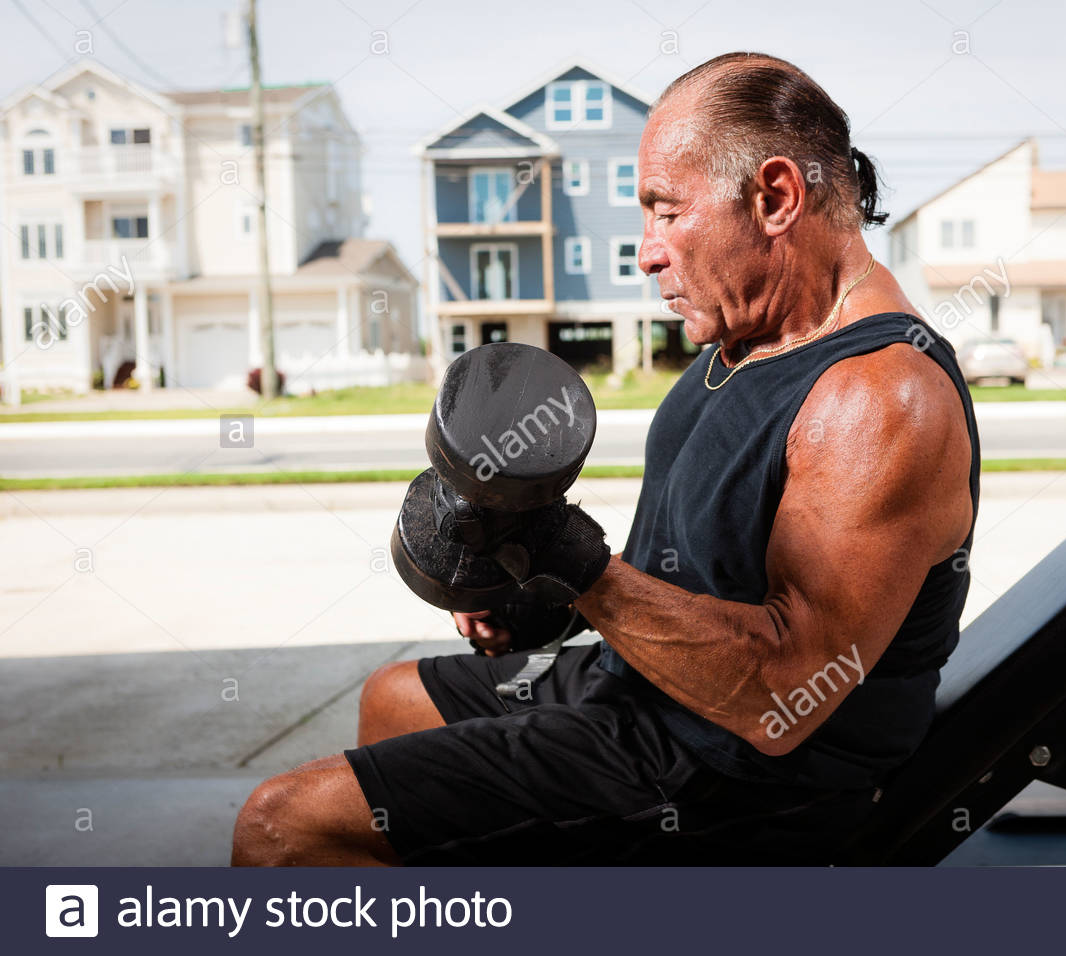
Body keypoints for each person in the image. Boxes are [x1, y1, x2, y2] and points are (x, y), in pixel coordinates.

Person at [230, 51, 979, 866]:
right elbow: (699, 574)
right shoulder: (746, 342)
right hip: (657, 693)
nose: (646, 252)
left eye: (665, 212)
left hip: (744, 774)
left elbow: (783, 695)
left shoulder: (878, 397)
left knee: (283, 825)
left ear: (774, 197)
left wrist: (567, 556)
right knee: (395, 697)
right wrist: (541, 594)